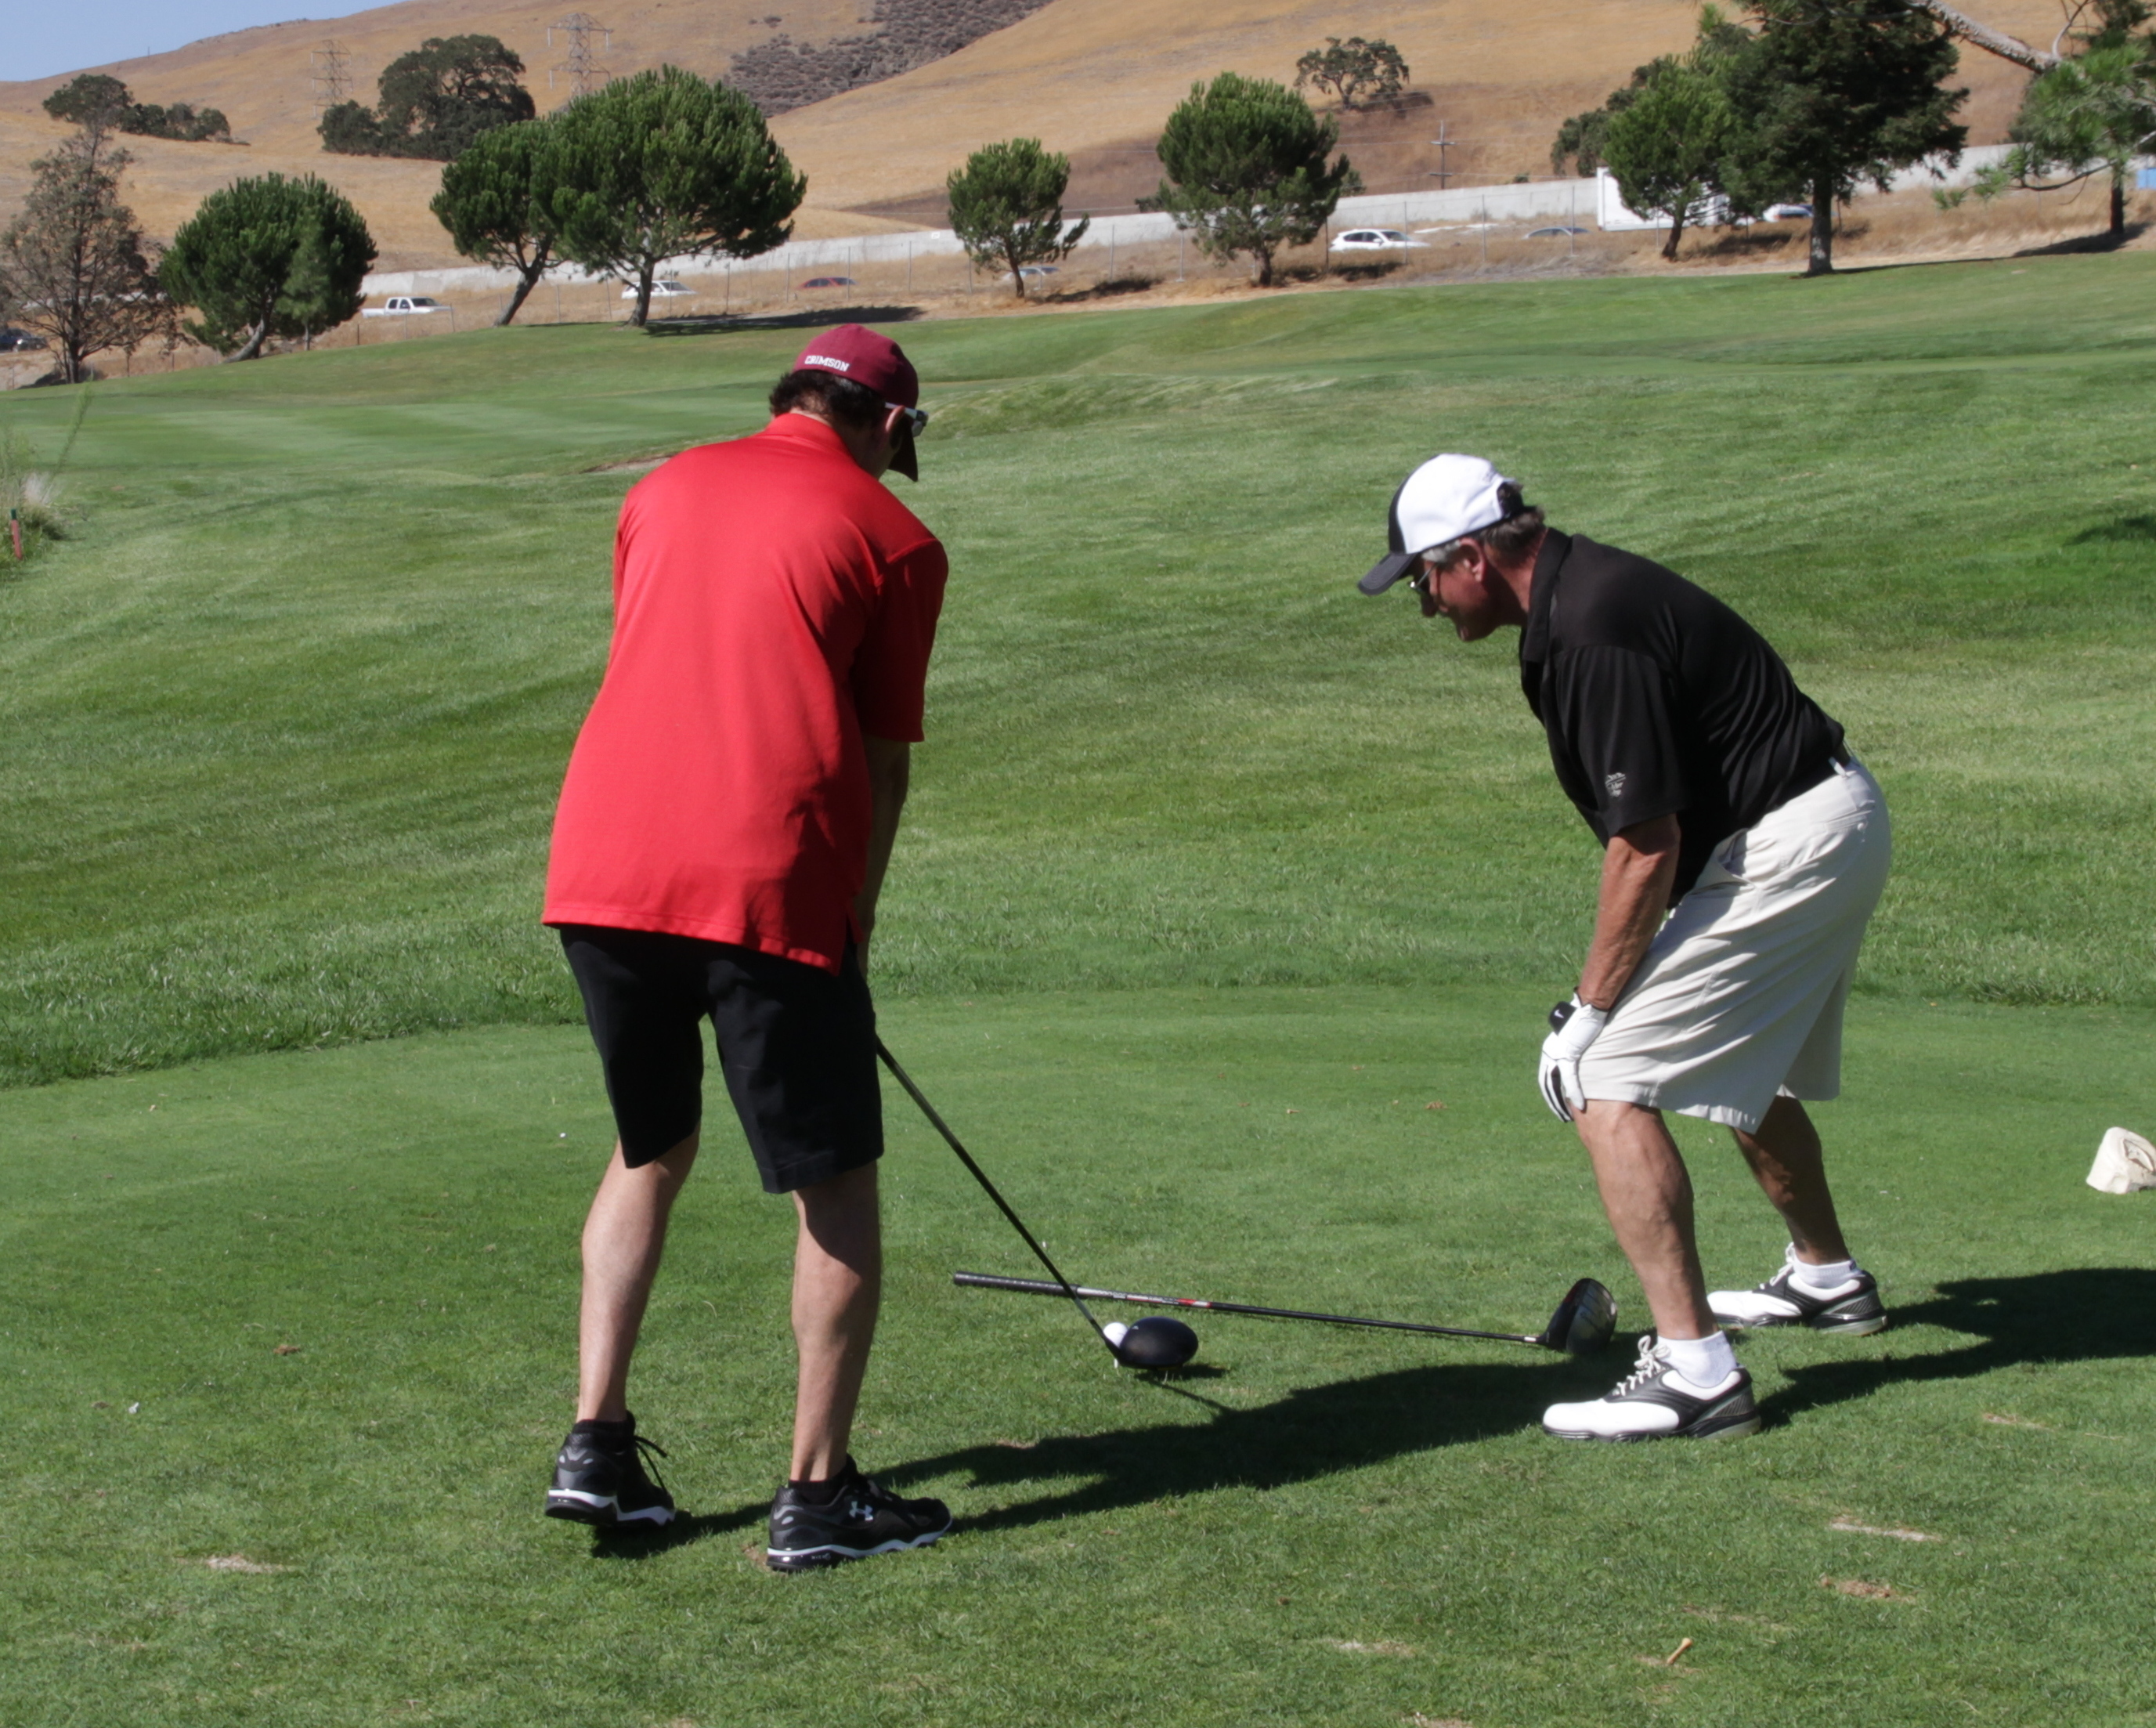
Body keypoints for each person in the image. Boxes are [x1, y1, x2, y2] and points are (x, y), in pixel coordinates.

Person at [1358, 454, 1891, 1442]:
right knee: (1744, 1059)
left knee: (1603, 1083)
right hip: (1818, 823)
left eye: (1422, 579)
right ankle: (1825, 1278)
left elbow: (1645, 844)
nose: (1423, 604)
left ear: (1470, 557)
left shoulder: (1591, 628)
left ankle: (1695, 1373)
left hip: (1788, 842)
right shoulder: (1576, 599)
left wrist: (1589, 1011)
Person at [540, 324, 955, 1567]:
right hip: (763, 876)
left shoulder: (659, 487)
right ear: (890, 424)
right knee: (837, 1181)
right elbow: (881, 760)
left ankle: (595, 1446)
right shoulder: (895, 538)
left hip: (602, 866)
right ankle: (817, 1499)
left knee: (648, 1144)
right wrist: (853, 926)